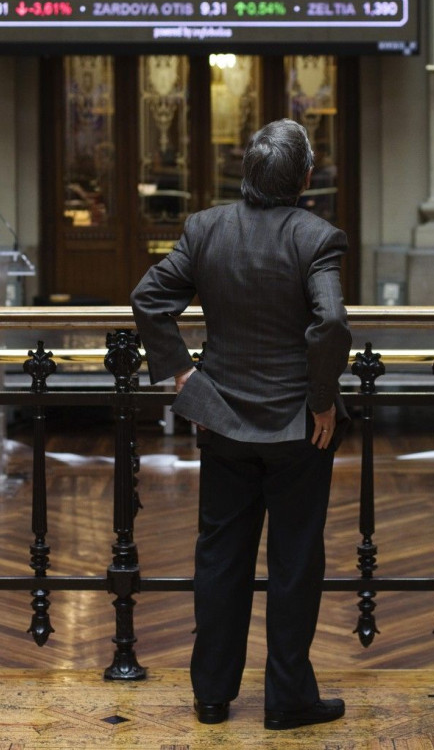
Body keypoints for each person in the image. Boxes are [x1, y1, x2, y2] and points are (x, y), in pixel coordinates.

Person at [131, 118, 352, 731]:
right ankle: (287, 701)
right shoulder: (318, 238)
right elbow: (330, 324)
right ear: (306, 178)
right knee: (295, 561)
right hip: (299, 430)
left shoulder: (205, 229)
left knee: (220, 558)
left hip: (223, 421)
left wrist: (181, 373)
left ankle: (211, 696)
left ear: (246, 173)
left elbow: (148, 298)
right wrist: (323, 399)